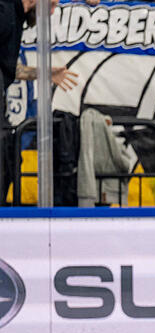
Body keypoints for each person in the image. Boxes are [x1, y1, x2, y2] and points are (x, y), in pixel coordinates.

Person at [1, 0, 79, 205]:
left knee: (8, 158)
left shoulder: (15, 16)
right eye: (51, 5)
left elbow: (9, 67)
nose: (51, 12)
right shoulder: (5, 11)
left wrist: (43, 72)